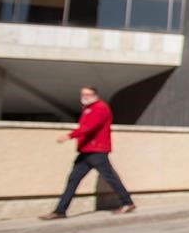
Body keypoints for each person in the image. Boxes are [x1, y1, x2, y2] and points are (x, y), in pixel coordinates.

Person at [40, 86, 136, 220]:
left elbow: (90, 127)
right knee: (73, 180)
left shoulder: (100, 108)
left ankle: (127, 202)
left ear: (95, 95)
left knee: (110, 178)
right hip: (86, 152)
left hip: (97, 151)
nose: (84, 97)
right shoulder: (87, 109)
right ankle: (60, 211)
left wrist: (70, 136)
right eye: (83, 94)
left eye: (88, 94)